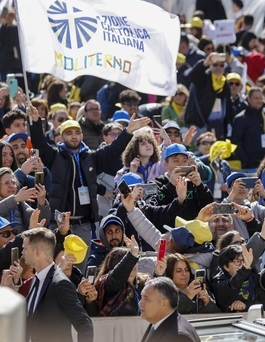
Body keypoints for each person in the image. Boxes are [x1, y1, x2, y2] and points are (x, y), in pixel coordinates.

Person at [27, 104, 150, 268]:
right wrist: (35, 122)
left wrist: (128, 131)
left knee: (81, 269)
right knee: (59, 268)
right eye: (69, 133)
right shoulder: (55, 157)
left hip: (84, 226)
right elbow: (40, 145)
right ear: (61, 137)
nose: (74, 137)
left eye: (77, 133)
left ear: (82, 135)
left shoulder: (90, 157)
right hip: (61, 225)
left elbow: (114, 150)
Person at [22, 227, 93, 342]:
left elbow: (84, 323)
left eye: (25, 249)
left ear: (37, 253)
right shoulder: (36, 280)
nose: (22, 252)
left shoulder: (61, 283)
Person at [139, 277, 201, 342]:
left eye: (146, 299)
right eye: (141, 297)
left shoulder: (179, 337)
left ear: (163, 303)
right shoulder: (157, 323)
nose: (140, 303)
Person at [231, 86, 265, 169]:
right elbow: (236, 142)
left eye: (260, 98)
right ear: (249, 99)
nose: (259, 101)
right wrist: (246, 161)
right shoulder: (241, 118)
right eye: (256, 98)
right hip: (250, 165)